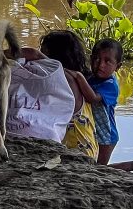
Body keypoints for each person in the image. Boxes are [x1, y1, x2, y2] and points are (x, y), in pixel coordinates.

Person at [67, 38, 133, 173]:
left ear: (118, 66)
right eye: (96, 59)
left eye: (107, 61)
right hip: (93, 131)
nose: (100, 64)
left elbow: (92, 98)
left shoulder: (110, 85)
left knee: (98, 170)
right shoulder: (92, 78)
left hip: (106, 136)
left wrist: (79, 77)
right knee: (96, 168)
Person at [28, 30, 99, 159]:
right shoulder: (77, 76)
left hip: (78, 150)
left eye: (43, 51)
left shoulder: (66, 79)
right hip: (88, 146)